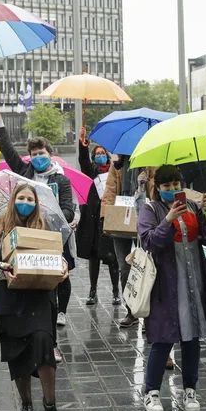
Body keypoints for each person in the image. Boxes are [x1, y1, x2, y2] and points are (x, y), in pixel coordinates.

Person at [0, 100, 73, 361]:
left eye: (42, 153)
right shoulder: (24, 172)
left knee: (57, 282)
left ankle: (54, 334)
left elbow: (68, 209)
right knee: (30, 286)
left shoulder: (62, 179)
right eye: (34, 154)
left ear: (50, 152)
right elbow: (7, 150)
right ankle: (29, 336)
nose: (38, 157)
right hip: (23, 238)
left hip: (51, 237)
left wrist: (50, 215)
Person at [137, 165, 206, 411]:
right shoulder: (150, 209)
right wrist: (169, 220)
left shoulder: (193, 207)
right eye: (167, 186)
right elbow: (149, 242)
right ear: (158, 188)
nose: (172, 190)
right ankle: (152, 391)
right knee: (163, 338)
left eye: (176, 185)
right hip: (165, 284)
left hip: (193, 281)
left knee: (192, 337)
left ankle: (190, 389)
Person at [0, 184, 69, 411]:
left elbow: (59, 255)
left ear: (36, 203)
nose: (26, 202)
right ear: (13, 200)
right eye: (21, 198)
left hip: (39, 296)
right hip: (10, 299)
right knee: (16, 352)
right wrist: (1, 269)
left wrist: (63, 266)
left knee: (43, 343)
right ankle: (27, 404)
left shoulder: (45, 226)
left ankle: (50, 404)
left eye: (30, 199)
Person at [76, 126, 120, 306]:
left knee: (113, 258)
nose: (100, 155)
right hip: (93, 221)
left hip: (110, 217)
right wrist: (83, 145)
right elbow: (83, 161)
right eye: (97, 153)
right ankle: (92, 292)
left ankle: (116, 292)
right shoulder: (92, 171)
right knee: (93, 256)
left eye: (103, 153)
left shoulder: (115, 171)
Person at [101, 153, 142, 329]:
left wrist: (144, 182)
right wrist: (105, 215)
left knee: (148, 267)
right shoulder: (116, 165)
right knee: (124, 267)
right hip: (121, 218)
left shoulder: (150, 163)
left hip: (146, 217)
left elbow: (156, 190)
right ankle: (131, 311)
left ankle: (150, 312)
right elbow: (109, 191)